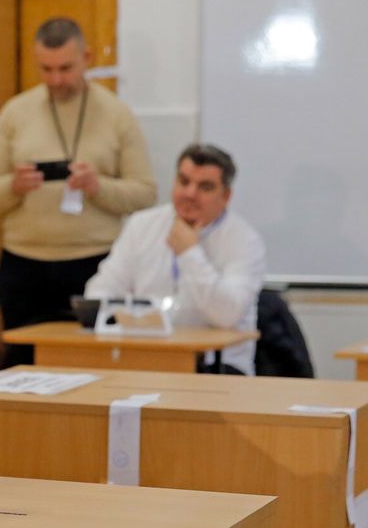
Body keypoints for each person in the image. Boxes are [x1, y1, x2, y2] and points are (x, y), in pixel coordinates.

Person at [0, 17, 156, 365]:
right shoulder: (16, 112)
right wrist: (14, 186)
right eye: (46, 69)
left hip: (94, 263)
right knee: (20, 363)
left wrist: (97, 186)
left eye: (65, 68)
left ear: (87, 57)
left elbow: (145, 192)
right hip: (24, 264)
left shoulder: (117, 114)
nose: (56, 79)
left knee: (91, 364)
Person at [85, 143, 266, 375]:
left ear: (226, 196)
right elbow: (99, 292)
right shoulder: (142, 225)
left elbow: (227, 315)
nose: (190, 193)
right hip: (145, 359)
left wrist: (189, 253)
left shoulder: (244, 241)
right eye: (184, 181)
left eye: (205, 187)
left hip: (216, 367)